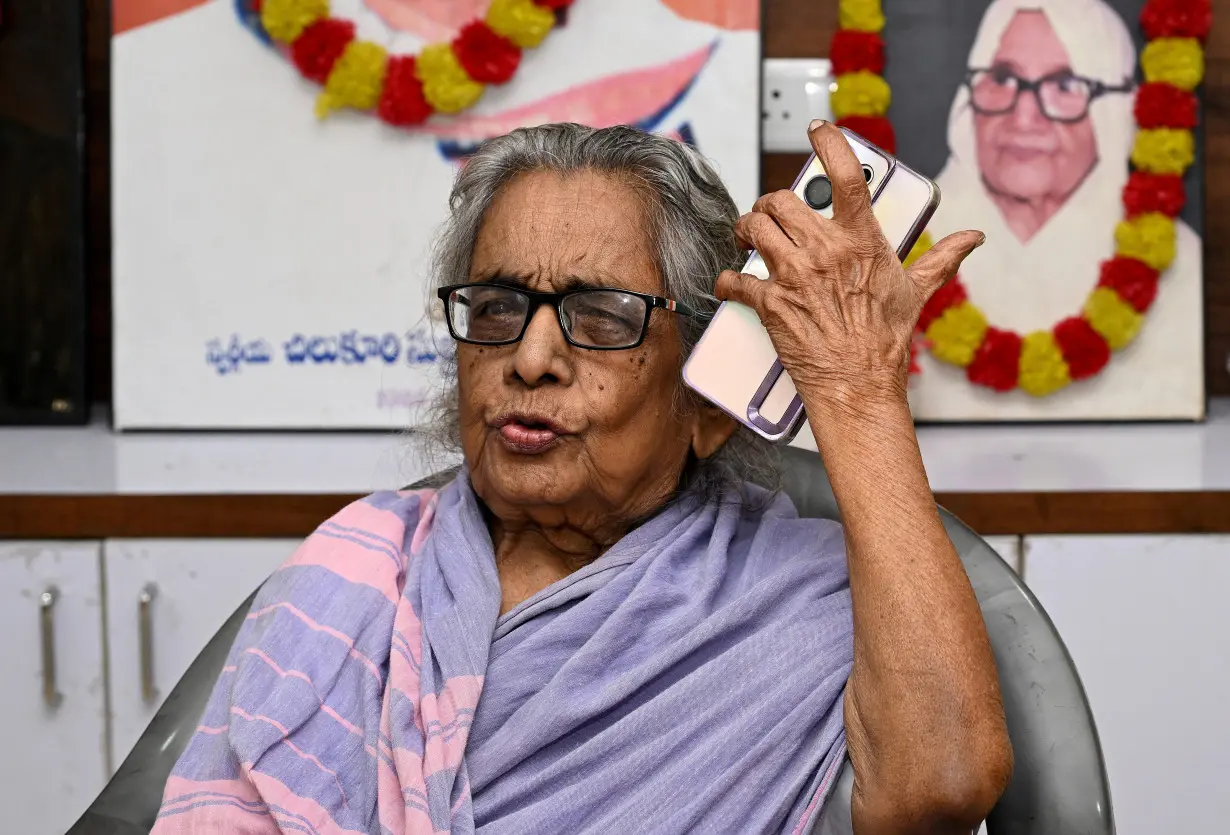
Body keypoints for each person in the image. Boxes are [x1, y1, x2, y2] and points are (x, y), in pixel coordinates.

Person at [152, 121, 1012, 834]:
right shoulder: (357, 568)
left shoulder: (797, 597)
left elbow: (941, 782)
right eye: (494, 307)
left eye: (602, 316)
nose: (529, 358)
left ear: (704, 400)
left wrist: (856, 392)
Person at [909, 0, 1204, 421]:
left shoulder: (1181, 265)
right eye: (1003, 78)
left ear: (1112, 114)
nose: (1024, 116)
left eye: (1065, 86)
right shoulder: (902, 245)